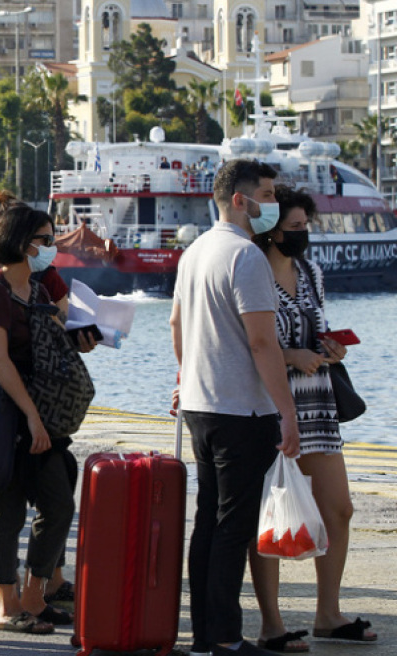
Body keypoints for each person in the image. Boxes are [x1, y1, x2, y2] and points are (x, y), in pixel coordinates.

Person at [170, 159, 301, 656]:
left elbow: (177, 326)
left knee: (209, 522)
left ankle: (205, 633)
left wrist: (186, 379)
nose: (274, 203)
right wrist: (287, 411)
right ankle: (223, 635)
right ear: (241, 200)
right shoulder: (246, 257)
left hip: (202, 405)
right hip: (241, 410)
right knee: (233, 526)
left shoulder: (196, 252)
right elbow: (263, 343)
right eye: (267, 194)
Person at [247, 186, 376, 651]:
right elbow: (249, 347)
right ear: (272, 229)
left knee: (338, 507)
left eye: (306, 226)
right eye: (295, 227)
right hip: (271, 402)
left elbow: (315, 329)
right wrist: (290, 355)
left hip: (318, 401)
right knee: (271, 515)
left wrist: (329, 349)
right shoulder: (252, 270)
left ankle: (328, 613)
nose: (303, 234)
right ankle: (272, 624)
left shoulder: (310, 272)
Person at [0, 204, 78, 635]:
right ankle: (7, 604)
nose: (51, 248)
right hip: (5, 415)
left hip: (40, 416)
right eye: (45, 240)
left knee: (58, 504)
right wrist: (31, 418)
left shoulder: (38, 292)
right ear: (20, 241)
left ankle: (35, 594)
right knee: (7, 510)